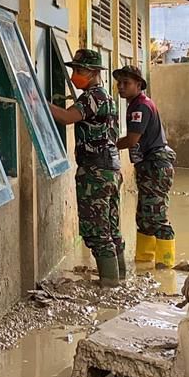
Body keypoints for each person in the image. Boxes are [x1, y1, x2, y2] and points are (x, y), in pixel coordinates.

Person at [48, 49, 125, 287]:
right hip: (110, 169)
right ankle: (119, 277)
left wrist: (37, 101)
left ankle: (109, 285)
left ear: (92, 73)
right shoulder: (107, 97)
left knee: (97, 229)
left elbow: (67, 117)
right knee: (111, 227)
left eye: (79, 71)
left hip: (96, 172)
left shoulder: (93, 97)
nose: (74, 76)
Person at [113, 65, 177, 267]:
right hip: (149, 165)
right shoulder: (137, 104)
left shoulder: (140, 106)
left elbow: (132, 140)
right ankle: (144, 262)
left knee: (157, 216)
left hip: (155, 165)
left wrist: (109, 145)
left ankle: (166, 267)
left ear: (138, 85)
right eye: (119, 83)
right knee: (144, 215)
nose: (121, 87)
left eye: (126, 83)